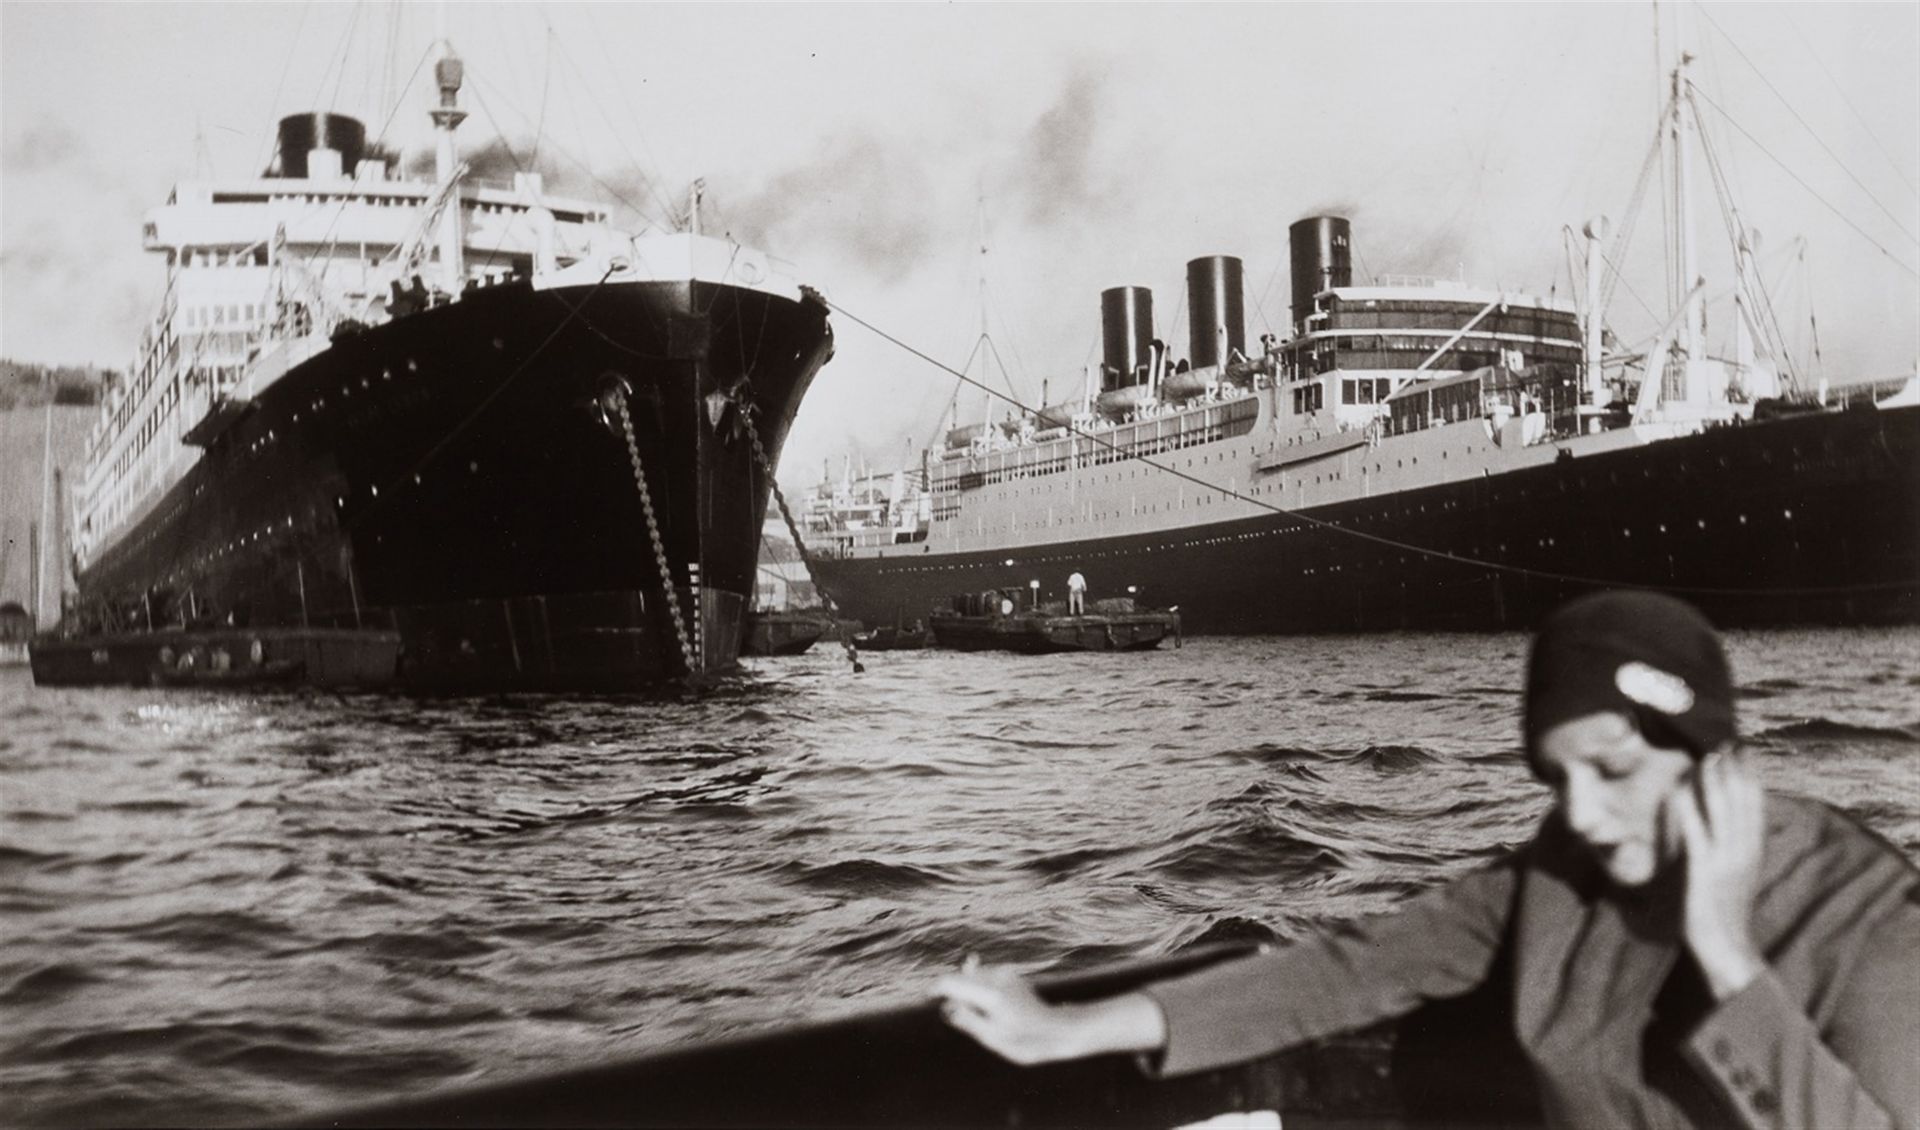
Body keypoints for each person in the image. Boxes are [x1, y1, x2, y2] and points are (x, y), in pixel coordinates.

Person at [937, 591, 1919, 1128]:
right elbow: (1353, 965)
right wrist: (1066, 1028)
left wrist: (1726, 956)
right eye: (1555, 776)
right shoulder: (1562, 874)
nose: (1578, 810)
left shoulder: (1868, 923)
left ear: (1716, 763)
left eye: (1614, 769)